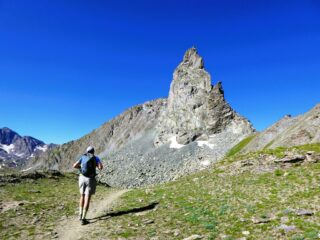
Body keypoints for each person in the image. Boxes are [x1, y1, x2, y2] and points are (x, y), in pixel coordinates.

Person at [73, 146, 103, 225]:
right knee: (87, 198)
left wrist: (81, 168)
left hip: (82, 178)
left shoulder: (83, 157)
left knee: (82, 196)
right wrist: (96, 165)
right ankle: (83, 219)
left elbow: (74, 165)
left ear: (87, 151)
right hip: (90, 179)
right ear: (93, 151)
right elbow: (100, 167)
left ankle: (80, 215)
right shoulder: (96, 158)